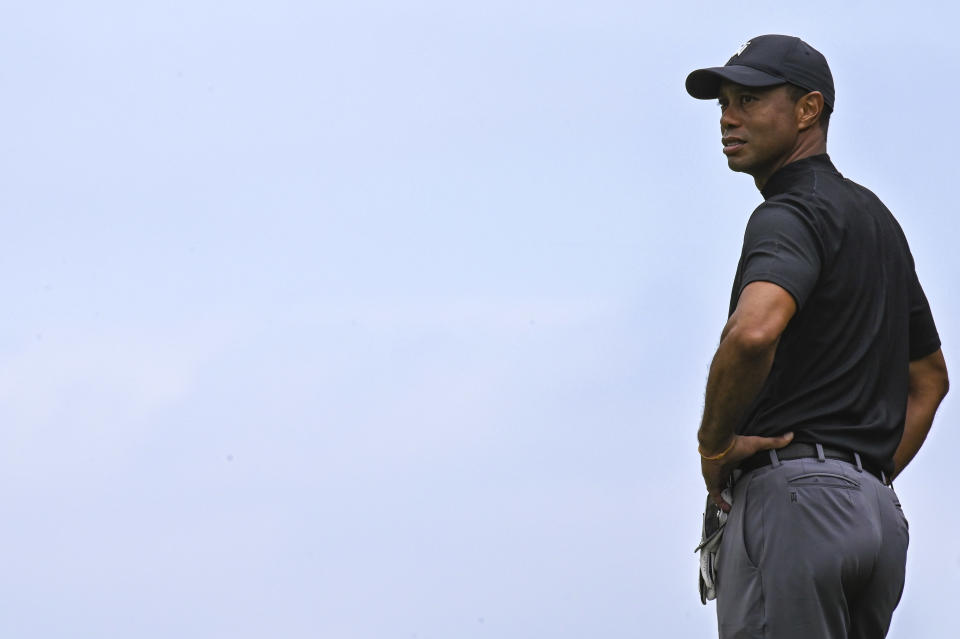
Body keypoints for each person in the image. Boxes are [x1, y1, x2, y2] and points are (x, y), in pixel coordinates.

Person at [685, 35, 949, 638]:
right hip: (878, 519)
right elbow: (930, 380)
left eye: (749, 100)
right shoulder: (877, 219)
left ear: (808, 110)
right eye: (723, 103)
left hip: (797, 507)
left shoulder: (788, 212)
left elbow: (753, 332)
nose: (728, 118)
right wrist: (862, 478)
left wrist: (714, 447)